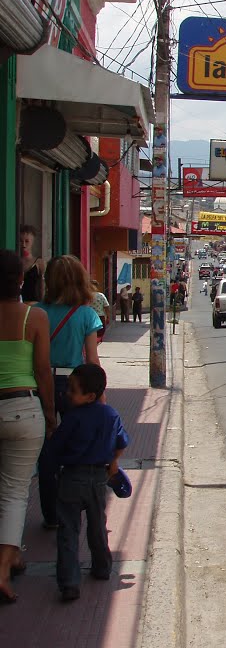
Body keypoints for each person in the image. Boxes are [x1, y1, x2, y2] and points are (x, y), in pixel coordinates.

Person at [0, 249, 56, 604]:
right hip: (24, 407)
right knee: (15, 493)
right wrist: (50, 415)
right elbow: (42, 371)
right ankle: (5, 566)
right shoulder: (33, 318)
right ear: (21, 280)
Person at [45, 364, 128, 602]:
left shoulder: (72, 419)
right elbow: (122, 442)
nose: (66, 393)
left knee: (68, 531)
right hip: (97, 480)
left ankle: (70, 582)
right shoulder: (110, 414)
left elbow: (53, 451)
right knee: (97, 527)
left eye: (72, 389)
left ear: (90, 395)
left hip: (71, 478)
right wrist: (113, 463)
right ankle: (102, 568)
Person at [36, 255, 103, 529]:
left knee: (46, 451)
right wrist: (99, 396)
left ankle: (50, 516)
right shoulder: (86, 314)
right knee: (79, 446)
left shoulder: (37, 312)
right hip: (76, 385)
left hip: (41, 383)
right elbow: (92, 360)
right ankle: (76, 507)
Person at [19, 225, 44, 304]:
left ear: (32, 242)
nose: (23, 245)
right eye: (21, 241)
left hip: (34, 304)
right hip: (18, 304)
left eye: (27, 241)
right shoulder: (15, 261)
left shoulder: (39, 263)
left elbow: (43, 287)